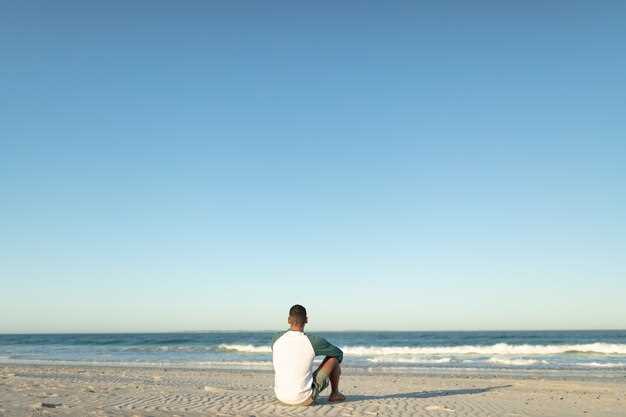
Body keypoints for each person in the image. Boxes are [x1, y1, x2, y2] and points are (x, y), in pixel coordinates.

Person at [271, 304, 346, 405]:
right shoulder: (312, 341)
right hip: (304, 399)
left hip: (281, 396)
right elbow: (338, 354)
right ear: (306, 320)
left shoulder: (276, 338)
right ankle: (335, 393)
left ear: (289, 320)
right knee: (333, 359)